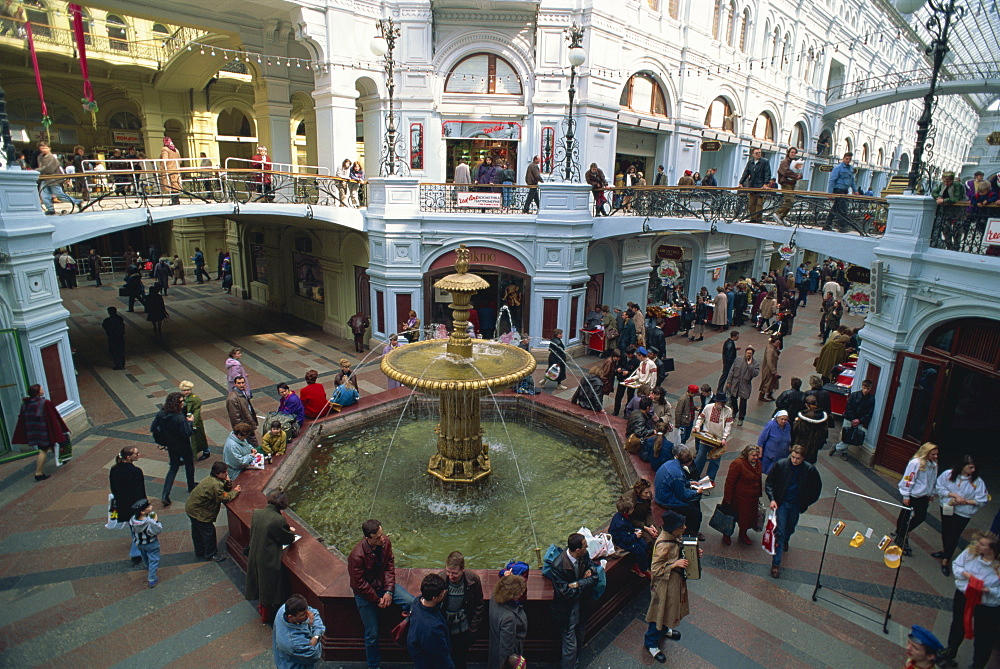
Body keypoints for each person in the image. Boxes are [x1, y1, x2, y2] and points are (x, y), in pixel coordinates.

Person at [349, 519, 413, 668]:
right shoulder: (356, 556)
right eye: (377, 537)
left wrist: (389, 591)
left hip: (383, 585)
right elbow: (359, 584)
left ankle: (404, 629)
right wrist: (377, 599)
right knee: (372, 634)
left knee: (412, 603)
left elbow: (389, 566)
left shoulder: (385, 543)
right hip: (364, 594)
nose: (382, 539)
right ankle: (373, 665)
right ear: (368, 538)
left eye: (382, 534)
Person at [644, 510, 701, 663]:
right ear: (673, 528)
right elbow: (655, 569)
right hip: (663, 587)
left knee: (668, 610)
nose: (684, 527)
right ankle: (651, 643)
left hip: (673, 583)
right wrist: (674, 564)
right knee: (659, 613)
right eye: (681, 526)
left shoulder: (674, 537)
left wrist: (693, 553)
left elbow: (680, 551)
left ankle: (663, 629)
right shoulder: (663, 545)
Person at [938, 532, 1000, 669]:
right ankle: (951, 650)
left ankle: (978, 665)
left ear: (992, 549)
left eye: (982, 544)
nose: (978, 545)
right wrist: (966, 575)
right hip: (964, 595)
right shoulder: (970, 553)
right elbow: (957, 565)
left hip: (987, 604)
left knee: (984, 636)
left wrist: (989, 591)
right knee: (957, 624)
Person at [765, 445, 822, 579]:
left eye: (798, 458)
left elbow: (816, 489)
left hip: (796, 504)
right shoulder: (781, 465)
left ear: (803, 458)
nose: (794, 460)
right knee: (780, 531)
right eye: (793, 457)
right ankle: (776, 563)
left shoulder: (809, 470)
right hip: (782, 503)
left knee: (790, 527)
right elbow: (769, 483)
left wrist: (806, 502)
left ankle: (786, 539)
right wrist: (772, 499)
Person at [547, 532, 598, 669]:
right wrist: (585, 581)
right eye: (585, 547)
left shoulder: (584, 556)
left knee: (580, 636)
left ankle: (575, 663)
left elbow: (594, 576)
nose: (587, 549)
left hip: (581, 607)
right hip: (566, 612)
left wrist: (578, 583)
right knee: (570, 647)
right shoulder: (558, 566)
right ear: (578, 550)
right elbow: (566, 593)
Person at [246, 490, 297, 624]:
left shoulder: (257, 513)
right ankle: (267, 613)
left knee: (259, 582)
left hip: (255, 553)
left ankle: (263, 607)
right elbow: (287, 538)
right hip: (268, 558)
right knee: (270, 587)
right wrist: (290, 531)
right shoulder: (278, 519)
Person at [936, 455, 989, 577]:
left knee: (954, 535)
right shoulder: (948, 474)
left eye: (974, 467)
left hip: (963, 513)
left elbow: (982, 500)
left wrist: (965, 502)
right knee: (945, 531)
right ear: (962, 466)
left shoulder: (977, 482)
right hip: (947, 507)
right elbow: (939, 487)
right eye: (970, 467)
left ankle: (946, 560)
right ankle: (945, 551)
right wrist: (953, 494)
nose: (973, 470)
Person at [185, 460, 240, 562]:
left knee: (197, 530)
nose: (226, 473)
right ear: (217, 474)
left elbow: (223, 488)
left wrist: (228, 482)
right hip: (199, 512)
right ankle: (211, 554)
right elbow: (224, 497)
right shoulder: (215, 485)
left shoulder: (213, 480)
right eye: (224, 472)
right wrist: (235, 492)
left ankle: (200, 551)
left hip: (192, 509)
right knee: (209, 532)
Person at [438, 551, 484, 669]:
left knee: (460, 659)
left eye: (455, 573)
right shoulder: (440, 579)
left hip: (463, 630)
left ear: (463, 570)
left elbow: (479, 605)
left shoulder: (473, 580)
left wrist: (473, 629)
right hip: (445, 629)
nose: (451, 576)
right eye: (448, 571)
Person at [894, 442, 939, 557]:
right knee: (905, 516)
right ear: (926, 453)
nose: (935, 456)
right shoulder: (915, 463)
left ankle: (902, 532)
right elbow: (908, 478)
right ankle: (901, 536)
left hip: (924, 495)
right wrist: (906, 495)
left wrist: (932, 493)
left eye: (936, 454)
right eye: (933, 454)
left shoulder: (933, 464)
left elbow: (933, 479)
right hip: (913, 495)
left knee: (920, 517)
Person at [151, 392, 195, 505]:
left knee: (173, 467)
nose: (183, 403)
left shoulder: (161, 414)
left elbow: (153, 428)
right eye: (181, 401)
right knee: (189, 464)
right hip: (183, 444)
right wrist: (189, 422)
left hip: (170, 444)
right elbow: (187, 433)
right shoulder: (179, 418)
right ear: (176, 403)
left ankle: (165, 493)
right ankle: (191, 485)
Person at [655, 444, 705, 539]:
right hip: (666, 500)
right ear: (688, 462)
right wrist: (696, 492)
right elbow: (683, 495)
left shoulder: (671, 463)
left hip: (662, 494)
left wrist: (689, 483)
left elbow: (675, 483)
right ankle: (692, 532)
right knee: (696, 512)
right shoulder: (677, 474)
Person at [407, 573, 455, 669]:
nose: (444, 592)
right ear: (434, 598)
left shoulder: (417, 602)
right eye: (442, 592)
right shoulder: (432, 628)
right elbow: (441, 656)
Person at [109, 446, 146, 564]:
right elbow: (140, 491)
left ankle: (136, 550)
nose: (138, 455)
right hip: (135, 504)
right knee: (138, 528)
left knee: (133, 527)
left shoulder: (114, 469)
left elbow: (113, 488)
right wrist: (144, 506)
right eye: (136, 454)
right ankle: (136, 552)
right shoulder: (136, 471)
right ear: (129, 457)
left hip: (122, 503)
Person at [722, 445, 764, 546]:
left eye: (757, 455)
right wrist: (728, 497)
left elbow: (758, 479)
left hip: (751, 499)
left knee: (747, 518)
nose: (756, 457)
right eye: (753, 455)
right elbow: (730, 482)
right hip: (738, 498)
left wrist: (758, 494)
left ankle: (743, 534)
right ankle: (726, 535)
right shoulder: (738, 463)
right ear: (747, 454)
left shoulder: (758, 463)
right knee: (731, 517)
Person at [273, 594, 325, 669]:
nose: (308, 615)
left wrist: (316, 636)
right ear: (290, 617)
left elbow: (313, 613)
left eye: (306, 611)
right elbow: (315, 654)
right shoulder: (293, 642)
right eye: (303, 614)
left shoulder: (285, 608)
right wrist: (316, 632)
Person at [488, 574, 528, 669]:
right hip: (510, 651)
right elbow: (506, 650)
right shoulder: (509, 618)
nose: (521, 594)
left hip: (494, 646)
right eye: (519, 593)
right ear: (510, 595)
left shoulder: (494, 596)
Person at [830, 379, 875, 459]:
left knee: (853, 438)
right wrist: (854, 419)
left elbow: (869, 412)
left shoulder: (871, 399)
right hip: (850, 418)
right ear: (862, 386)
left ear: (870, 388)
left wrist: (859, 420)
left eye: (868, 389)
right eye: (864, 388)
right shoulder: (854, 395)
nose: (865, 390)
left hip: (858, 420)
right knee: (847, 436)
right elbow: (848, 408)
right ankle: (844, 452)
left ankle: (836, 447)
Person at [609, 494, 652, 574]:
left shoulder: (621, 517)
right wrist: (635, 535)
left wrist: (634, 530)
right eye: (632, 509)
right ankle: (643, 568)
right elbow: (625, 539)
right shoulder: (621, 524)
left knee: (644, 545)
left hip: (627, 534)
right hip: (622, 540)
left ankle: (643, 563)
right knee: (639, 551)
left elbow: (628, 528)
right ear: (626, 511)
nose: (633, 510)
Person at [36, 141, 81, 214]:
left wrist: (37, 170)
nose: (43, 149)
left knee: (60, 195)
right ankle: (50, 209)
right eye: (42, 148)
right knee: (44, 195)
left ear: (49, 148)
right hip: (45, 178)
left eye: (45, 148)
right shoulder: (40, 157)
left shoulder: (51, 157)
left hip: (53, 179)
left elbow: (49, 168)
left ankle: (77, 202)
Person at [129, 499, 163, 588]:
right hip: (151, 543)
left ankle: (148, 566)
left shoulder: (132, 520)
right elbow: (157, 530)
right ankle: (152, 579)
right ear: (143, 511)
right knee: (154, 559)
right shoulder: (149, 521)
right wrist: (155, 521)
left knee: (144, 556)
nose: (151, 507)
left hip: (139, 543)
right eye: (148, 507)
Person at [725, 345, 759, 427]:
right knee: (733, 398)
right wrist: (729, 381)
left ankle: (741, 418)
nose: (748, 355)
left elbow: (755, 374)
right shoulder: (738, 360)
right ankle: (735, 410)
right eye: (747, 353)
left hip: (745, 385)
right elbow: (732, 371)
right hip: (735, 383)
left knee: (743, 402)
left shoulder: (755, 363)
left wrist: (750, 365)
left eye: (750, 353)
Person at [179, 380, 211, 462]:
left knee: (199, 438)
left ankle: (206, 452)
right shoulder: (183, 398)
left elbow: (196, 412)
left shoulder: (194, 399)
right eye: (184, 390)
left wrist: (194, 423)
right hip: (185, 421)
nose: (186, 392)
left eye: (188, 390)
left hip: (193, 422)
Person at [791, 396, 829, 463]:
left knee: (799, 461)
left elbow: (796, 430)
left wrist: (795, 422)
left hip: (801, 444)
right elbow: (824, 433)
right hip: (814, 446)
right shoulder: (821, 417)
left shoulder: (803, 417)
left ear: (806, 404)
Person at [824, 152, 856, 231]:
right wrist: (830, 193)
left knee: (836, 208)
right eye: (847, 159)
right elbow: (832, 180)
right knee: (843, 208)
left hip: (845, 190)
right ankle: (841, 226)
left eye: (849, 159)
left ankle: (827, 224)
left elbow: (852, 180)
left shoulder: (850, 169)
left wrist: (855, 190)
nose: (848, 160)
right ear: (843, 158)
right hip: (838, 190)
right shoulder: (838, 168)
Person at [226, 375, 260, 447]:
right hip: (244, 425)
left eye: (243, 383)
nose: (241, 385)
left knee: (252, 441)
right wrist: (241, 428)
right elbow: (235, 416)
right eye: (239, 383)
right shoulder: (232, 398)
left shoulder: (242, 392)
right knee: (251, 443)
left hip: (248, 422)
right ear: (234, 384)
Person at [739, 147, 771, 222]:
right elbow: (746, 172)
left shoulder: (765, 162)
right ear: (753, 154)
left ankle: (758, 218)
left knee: (759, 203)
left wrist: (766, 183)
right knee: (751, 203)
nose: (759, 155)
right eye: (757, 153)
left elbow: (767, 173)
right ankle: (752, 218)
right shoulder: (750, 162)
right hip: (752, 184)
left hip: (761, 185)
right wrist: (741, 182)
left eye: (760, 153)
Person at [758, 410, 792, 475]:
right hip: (771, 455)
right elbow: (761, 439)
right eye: (782, 419)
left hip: (782, 454)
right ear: (777, 418)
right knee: (770, 471)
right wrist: (760, 452)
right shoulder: (771, 425)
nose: (783, 421)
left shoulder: (787, 425)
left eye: (785, 419)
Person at [775, 147, 802, 221]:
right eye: (792, 152)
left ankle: (782, 217)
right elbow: (786, 172)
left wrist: (800, 175)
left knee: (789, 201)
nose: (793, 154)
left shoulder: (795, 162)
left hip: (792, 183)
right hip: (786, 183)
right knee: (790, 200)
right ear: (788, 153)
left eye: (794, 152)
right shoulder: (785, 162)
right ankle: (778, 213)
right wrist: (796, 175)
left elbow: (799, 171)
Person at [159, 137, 182, 204]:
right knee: (175, 185)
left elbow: (164, 160)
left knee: (171, 186)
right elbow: (180, 160)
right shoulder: (176, 149)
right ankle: (176, 200)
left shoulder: (165, 149)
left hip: (169, 170)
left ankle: (174, 201)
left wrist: (161, 168)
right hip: (176, 169)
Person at [758, 337, 781, 401]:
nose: (778, 343)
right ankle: (761, 396)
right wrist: (774, 371)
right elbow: (769, 361)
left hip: (772, 368)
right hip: (768, 370)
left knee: (772, 382)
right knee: (767, 382)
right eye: (777, 343)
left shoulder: (772, 347)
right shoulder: (770, 350)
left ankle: (769, 394)